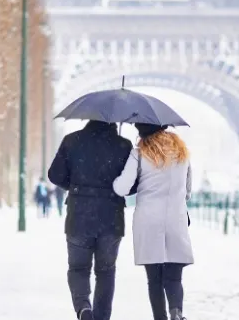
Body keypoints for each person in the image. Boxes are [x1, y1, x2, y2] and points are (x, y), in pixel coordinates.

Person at [48, 120, 137, 320]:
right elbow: (132, 185)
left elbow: (54, 175)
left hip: (79, 216)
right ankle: (102, 317)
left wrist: (76, 187)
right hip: (111, 218)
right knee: (106, 272)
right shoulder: (123, 145)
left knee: (78, 268)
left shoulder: (71, 141)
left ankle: (83, 308)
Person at [113, 123, 193, 320]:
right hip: (176, 218)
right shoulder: (182, 152)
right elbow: (188, 190)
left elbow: (122, 188)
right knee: (174, 276)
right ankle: (176, 311)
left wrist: (117, 175)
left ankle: (160, 317)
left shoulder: (139, 153)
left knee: (154, 279)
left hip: (148, 221)